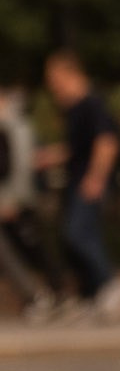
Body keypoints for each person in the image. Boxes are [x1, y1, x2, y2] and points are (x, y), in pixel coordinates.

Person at [39, 50, 120, 323]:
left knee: (78, 233)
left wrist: (96, 178)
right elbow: (75, 150)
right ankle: (91, 296)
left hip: (88, 183)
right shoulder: (75, 108)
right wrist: (45, 158)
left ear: (70, 73)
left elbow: (107, 142)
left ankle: (110, 285)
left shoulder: (92, 104)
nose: (51, 84)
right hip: (79, 180)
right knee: (75, 237)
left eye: (54, 77)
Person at [0, 82, 58, 318]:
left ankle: (43, 296)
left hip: (15, 200)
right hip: (15, 199)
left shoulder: (13, 128)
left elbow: (17, 168)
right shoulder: (13, 128)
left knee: (29, 248)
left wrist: (12, 199)